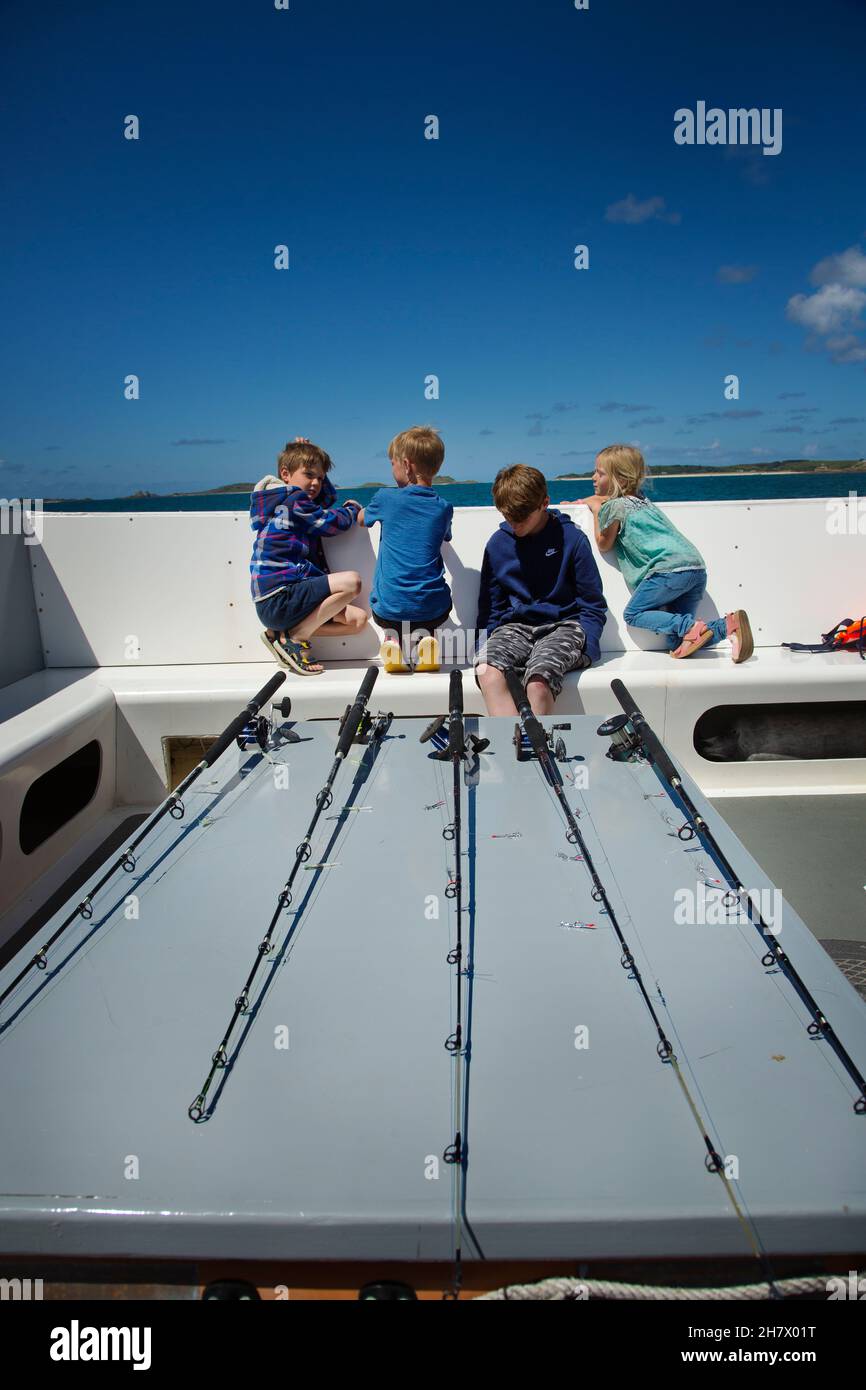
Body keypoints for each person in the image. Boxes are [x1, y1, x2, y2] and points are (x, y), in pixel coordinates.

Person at [575, 444, 753, 660]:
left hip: (668, 571)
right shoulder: (643, 501)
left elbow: (604, 543)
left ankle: (690, 626)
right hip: (695, 568)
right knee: (677, 643)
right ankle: (728, 625)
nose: (593, 477)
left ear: (620, 480)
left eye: (599, 473)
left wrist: (596, 508)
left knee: (633, 614)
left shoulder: (615, 507)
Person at [474, 464, 607, 714]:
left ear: (544, 503)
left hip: (565, 626)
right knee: (487, 672)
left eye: (522, 517)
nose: (515, 524)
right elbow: (490, 607)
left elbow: (593, 604)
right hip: (515, 629)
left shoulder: (572, 540)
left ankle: (537, 750)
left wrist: (587, 647)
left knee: (538, 683)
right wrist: (481, 646)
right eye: (508, 518)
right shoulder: (497, 544)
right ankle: (511, 747)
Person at [250, 438, 366, 675]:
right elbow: (331, 522)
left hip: (275, 606)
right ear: (285, 474)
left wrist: (309, 459)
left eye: (320, 478)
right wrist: (353, 508)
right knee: (352, 582)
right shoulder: (294, 500)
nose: (315, 483)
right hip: (281, 596)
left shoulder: (281, 502)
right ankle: (297, 637)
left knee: (358, 620)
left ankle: (281, 635)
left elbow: (324, 498)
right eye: (309, 475)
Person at [357, 425, 453, 673]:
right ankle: (426, 639)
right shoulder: (443, 507)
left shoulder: (385, 498)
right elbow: (446, 536)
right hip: (433, 610)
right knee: (430, 596)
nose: (392, 469)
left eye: (392, 463)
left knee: (389, 603)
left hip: (389, 609)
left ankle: (392, 641)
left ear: (407, 465)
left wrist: (353, 506)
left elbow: (361, 519)